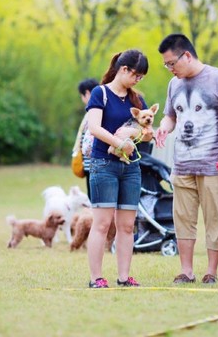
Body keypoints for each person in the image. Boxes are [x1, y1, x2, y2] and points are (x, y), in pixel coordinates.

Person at [155, 34, 218, 284]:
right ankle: (187, 271)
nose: (170, 69)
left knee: (215, 219)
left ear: (186, 55)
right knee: (182, 220)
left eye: (171, 63)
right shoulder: (174, 85)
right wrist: (163, 127)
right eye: (166, 65)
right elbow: (171, 116)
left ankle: (211, 272)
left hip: (214, 165)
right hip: (182, 163)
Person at [86, 49, 152, 288]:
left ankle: (124, 277)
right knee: (102, 224)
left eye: (141, 78)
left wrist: (141, 133)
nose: (138, 81)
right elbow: (94, 127)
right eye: (137, 76)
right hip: (104, 164)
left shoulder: (137, 100)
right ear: (124, 70)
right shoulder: (100, 93)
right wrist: (119, 142)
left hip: (131, 168)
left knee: (126, 225)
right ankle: (96, 278)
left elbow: (146, 136)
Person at [72, 78, 99, 199]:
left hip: (93, 163)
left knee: (94, 198)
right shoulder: (93, 111)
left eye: (81, 95)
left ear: (87, 93)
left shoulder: (92, 113)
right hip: (91, 163)